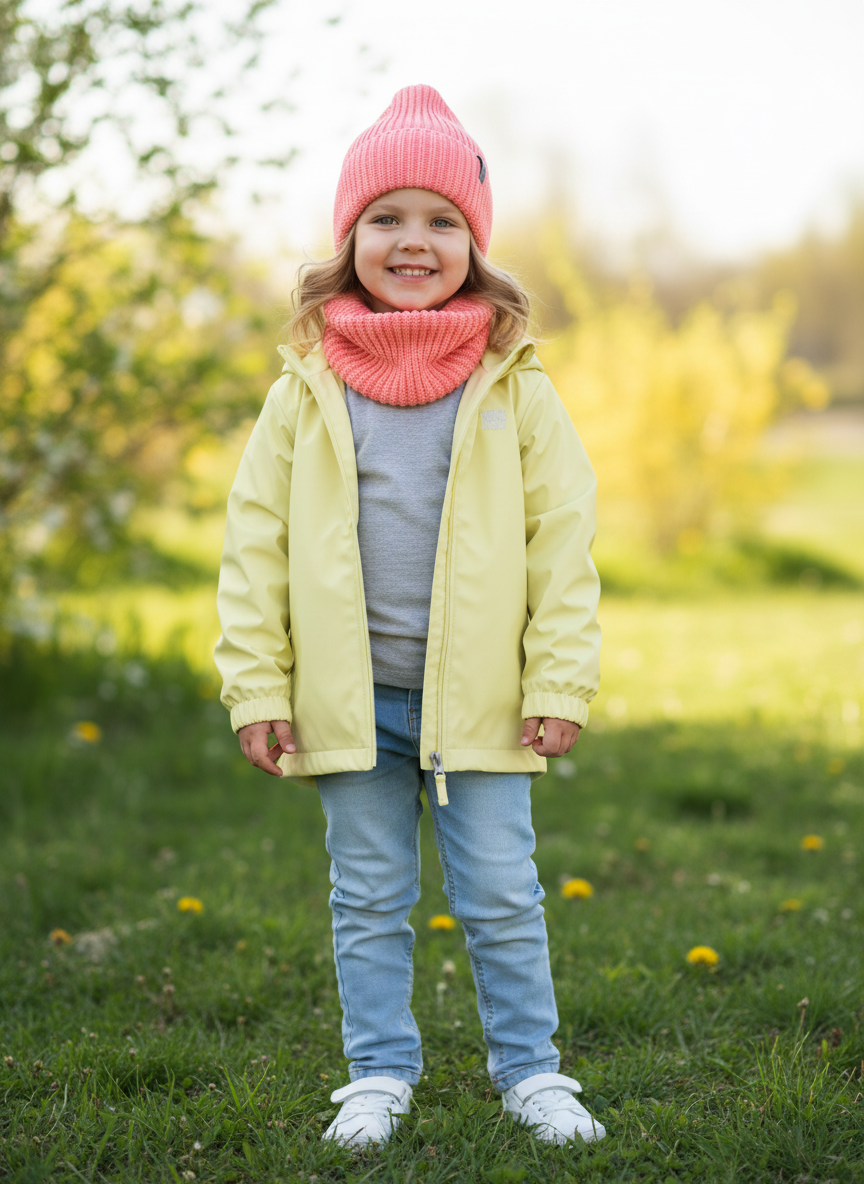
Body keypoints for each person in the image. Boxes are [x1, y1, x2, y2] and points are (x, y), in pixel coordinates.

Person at [214, 84, 604, 1150]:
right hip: (350, 698)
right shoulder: (304, 388)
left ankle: (532, 1069)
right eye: (386, 217)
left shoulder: (513, 383)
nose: (413, 240)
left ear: (475, 244)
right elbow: (255, 544)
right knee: (368, 894)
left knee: (501, 894)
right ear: (350, 240)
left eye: (441, 220)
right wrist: (257, 683)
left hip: (480, 701)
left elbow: (562, 542)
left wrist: (558, 679)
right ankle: (378, 1070)